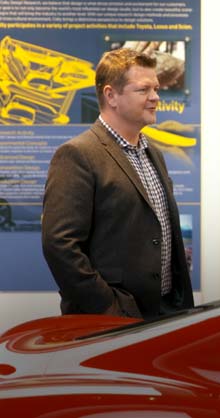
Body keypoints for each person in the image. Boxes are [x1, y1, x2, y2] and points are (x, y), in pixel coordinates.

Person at [42, 48, 193, 319]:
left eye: (156, 89)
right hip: (111, 321)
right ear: (111, 95)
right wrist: (108, 307)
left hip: (165, 313)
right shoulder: (77, 154)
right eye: (144, 89)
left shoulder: (152, 153)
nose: (155, 97)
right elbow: (60, 246)